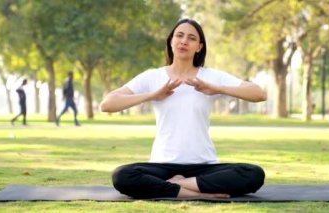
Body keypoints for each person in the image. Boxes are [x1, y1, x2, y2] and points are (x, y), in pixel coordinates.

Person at [100, 18, 267, 199]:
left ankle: (175, 185)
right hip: (162, 166)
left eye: (191, 38)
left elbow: (259, 94)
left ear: (199, 47)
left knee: (253, 174)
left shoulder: (211, 76)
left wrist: (217, 88)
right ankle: (198, 194)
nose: (184, 41)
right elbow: (108, 104)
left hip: (204, 166)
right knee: (122, 176)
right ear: (171, 41)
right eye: (179, 36)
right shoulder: (152, 76)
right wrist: (152, 95)